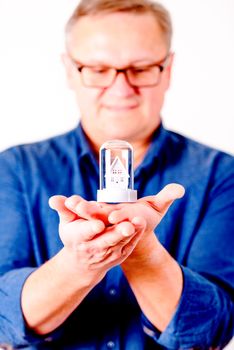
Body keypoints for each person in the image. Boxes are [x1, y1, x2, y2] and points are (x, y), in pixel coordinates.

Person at [0, 0, 233, 348]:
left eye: (140, 69)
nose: (121, 88)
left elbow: (214, 329)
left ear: (167, 69)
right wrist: (78, 264)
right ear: (69, 70)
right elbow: (4, 322)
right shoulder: (16, 169)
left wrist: (142, 249)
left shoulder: (221, 175)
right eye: (97, 68)